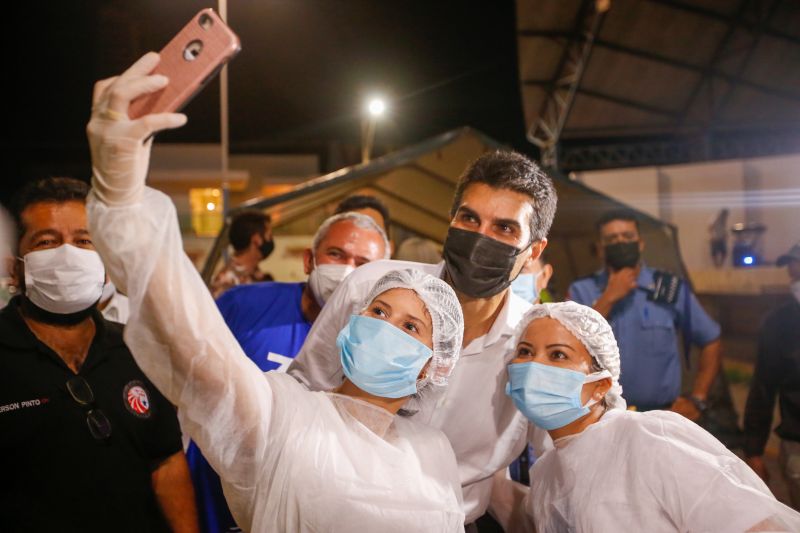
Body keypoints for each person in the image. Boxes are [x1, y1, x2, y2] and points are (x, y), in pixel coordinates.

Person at [85, 52, 466, 532]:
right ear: (346, 325)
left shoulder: (432, 452)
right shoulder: (283, 417)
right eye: (378, 311)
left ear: (434, 364)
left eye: (411, 327)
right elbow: (194, 342)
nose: (386, 328)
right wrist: (122, 198)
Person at [288, 148, 557, 528]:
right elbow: (303, 390)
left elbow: (562, 461)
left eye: (505, 228)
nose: (482, 238)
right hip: (326, 512)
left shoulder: (533, 346)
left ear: (534, 251)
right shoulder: (373, 287)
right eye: (469, 218)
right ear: (451, 220)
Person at [0, 177, 198, 533]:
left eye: (83, 241)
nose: (67, 253)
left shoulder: (138, 348)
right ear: (15, 268)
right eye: (46, 242)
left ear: (104, 263)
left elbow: (166, 462)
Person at [502, 301, 800, 532]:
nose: (533, 366)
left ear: (600, 386)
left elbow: (757, 525)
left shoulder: (648, 440)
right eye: (525, 351)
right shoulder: (547, 474)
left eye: (557, 355)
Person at [192, 210, 388, 532]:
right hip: (218, 496)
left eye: (363, 264)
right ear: (310, 260)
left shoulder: (382, 345)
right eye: (335, 254)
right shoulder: (241, 306)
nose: (347, 271)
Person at [568, 209, 722, 417]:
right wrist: (608, 298)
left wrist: (698, 399)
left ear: (640, 244)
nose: (621, 242)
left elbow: (711, 340)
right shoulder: (582, 291)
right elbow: (567, 347)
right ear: (601, 249)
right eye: (612, 239)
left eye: (628, 237)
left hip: (661, 417)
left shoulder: (668, 288)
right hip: (600, 417)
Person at [744, 241, 800, 509]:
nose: (794, 275)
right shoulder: (779, 323)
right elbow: (763, 389)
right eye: (793, 271)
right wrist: (754, 449)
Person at [210, 210, 274, 298]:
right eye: (269, 236)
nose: (271, 241)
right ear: (256, 240)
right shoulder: (226, 282)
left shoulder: (257, 275)